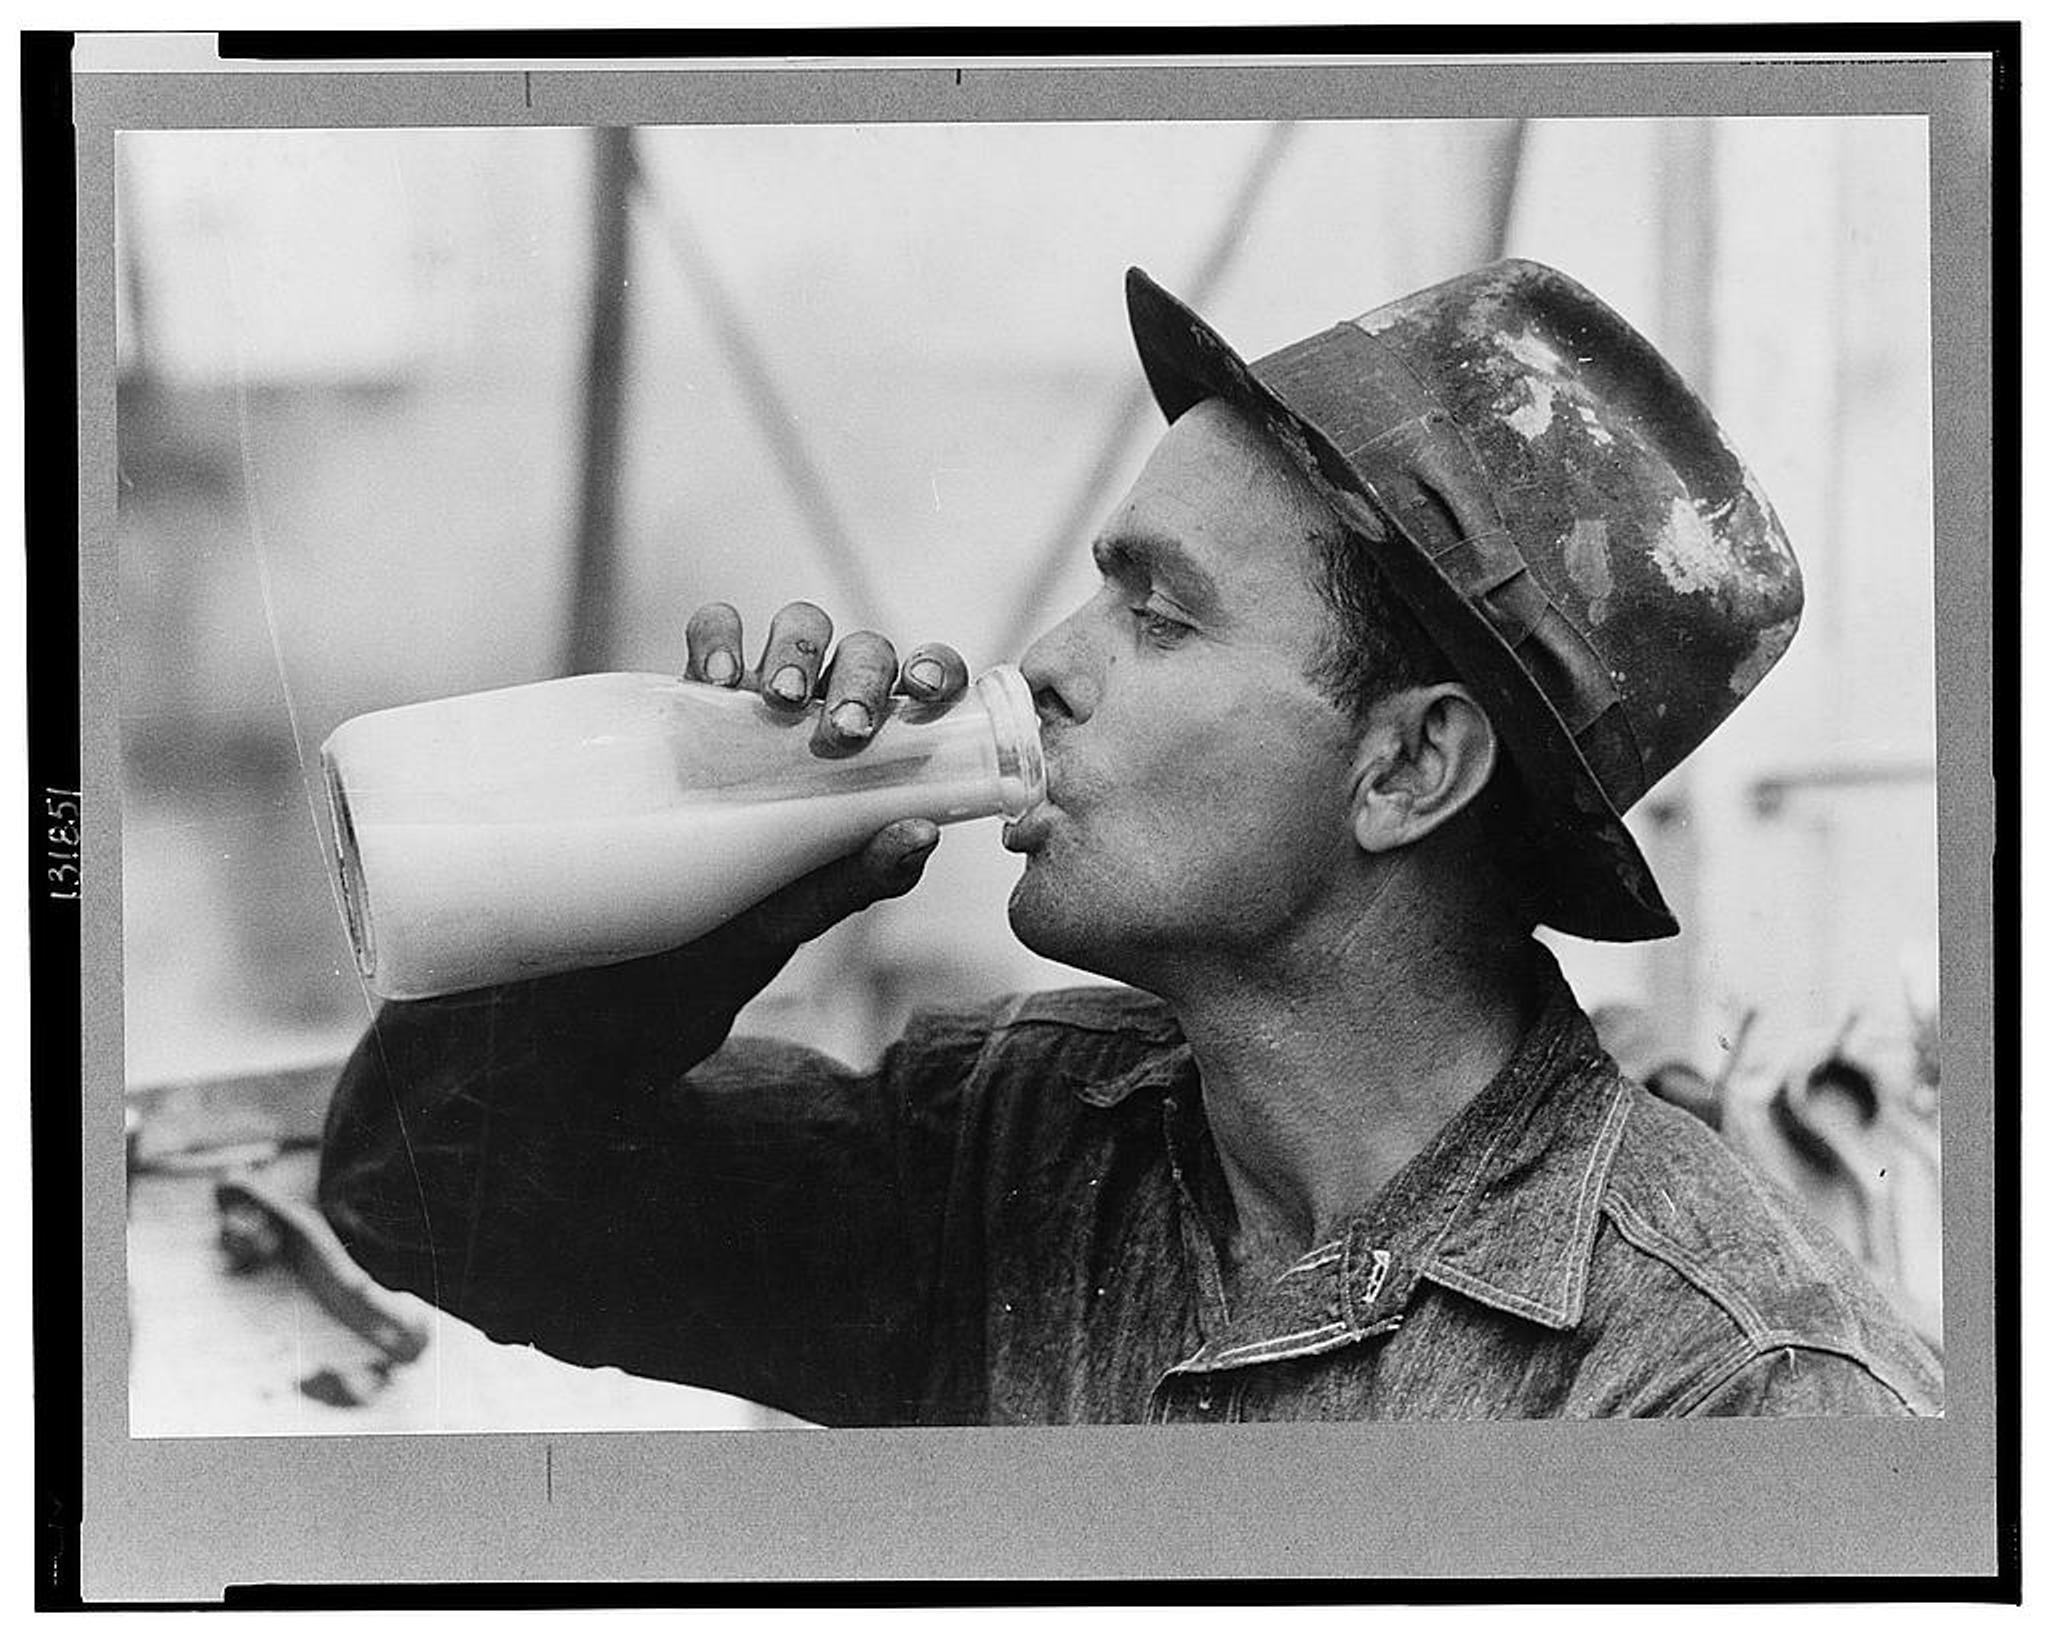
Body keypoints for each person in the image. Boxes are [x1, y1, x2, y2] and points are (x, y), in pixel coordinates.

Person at [319, 260, 1942, 1423]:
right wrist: (709, 889)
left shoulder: (1732, 1394)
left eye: (1158, 614)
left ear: (1409, 767)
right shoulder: (1012, 1138)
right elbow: (423, 1199)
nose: (1051, 663)